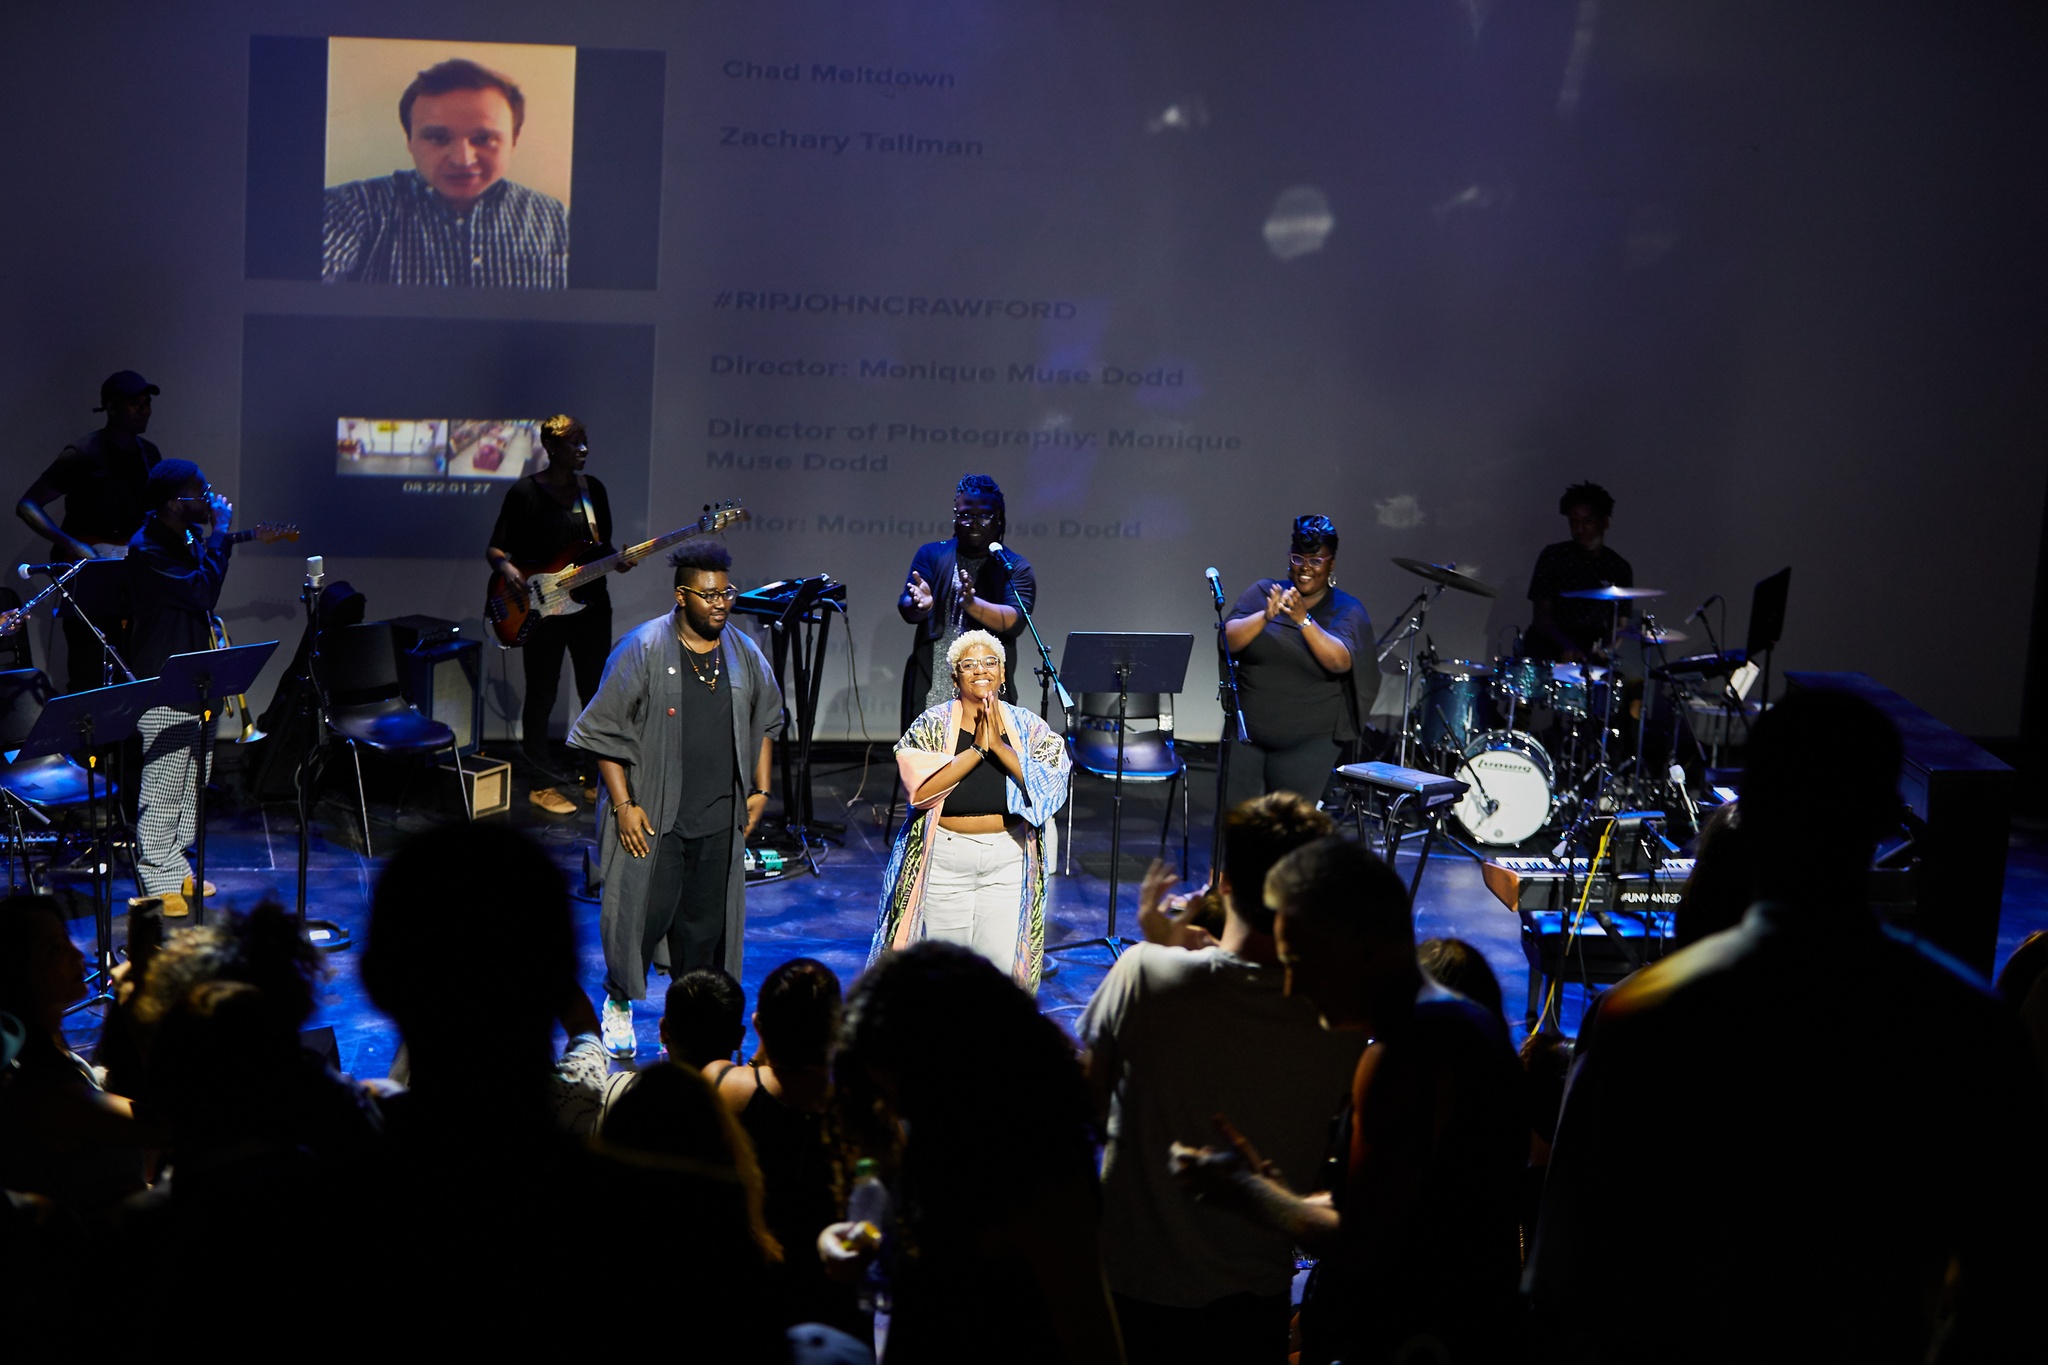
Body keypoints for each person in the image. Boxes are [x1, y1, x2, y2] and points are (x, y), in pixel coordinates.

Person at [1527, 689, 2048, 1361]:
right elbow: (2007, 1289)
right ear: (1883, 822)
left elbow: (1578, 1280)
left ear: (1752, 815)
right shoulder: (1970, 1027)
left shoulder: (1642, 1016)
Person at [358, 822, 776, 1352]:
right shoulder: (681, 1224)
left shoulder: (310, 1196)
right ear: (559, 974)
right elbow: (585, 1035)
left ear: (374, 980)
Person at [1173, 837, 1526, 1365]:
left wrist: (1255, 1197)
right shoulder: (1461, 1021)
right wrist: (1279, 1191)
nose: (1291, 987)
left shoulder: (1401, 1056)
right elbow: (1410, 1212)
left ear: (1359, 946)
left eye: (1300, 961)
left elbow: (1367, 1246)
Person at [1079, 792, 1361, 1365]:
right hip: (1251, 1304)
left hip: (1132, 1288)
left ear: (1224, 882)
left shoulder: (1144, 974)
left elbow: (1079, 1107)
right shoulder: (1340, 1020)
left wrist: (1160, 947)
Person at [825, 943, 1122, 1365]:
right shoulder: (933, 1126)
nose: (895, 1108)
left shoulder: (1041, 1171)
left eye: (899, 1090)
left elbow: (1091, 1337)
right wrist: (843, 1240)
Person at [568, 541, 779, 1058]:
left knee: (703, 936)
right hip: (653, 819)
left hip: (716, 816)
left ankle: (688, 1028)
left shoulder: (742, 651)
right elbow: (603, 734)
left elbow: (766, 718)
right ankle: (618, 1004)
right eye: (709, 595)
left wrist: (760, 789)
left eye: (726, 593)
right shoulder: (642, 649)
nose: (721, 604)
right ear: (682, 595)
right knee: (638, 920)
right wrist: (623, 806)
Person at [870, 629, 1070, 992]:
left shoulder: (1028, 727)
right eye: (969, 664)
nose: (981, 670)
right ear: (955, 677)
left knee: (995, 980)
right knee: (946, 977)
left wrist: (999, 747)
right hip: (946, 860)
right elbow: (920, 793)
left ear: (1003, 673)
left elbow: (1051, 788)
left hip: (1007, 859)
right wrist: (976, 750)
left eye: (990, 662)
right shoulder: (931, 725)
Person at [486, 413, 629, 814]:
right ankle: (540, 782)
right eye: (574, 443)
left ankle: (592, 776)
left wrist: (618, 559)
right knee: (542, 694)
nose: (583, 449)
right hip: (542, 609)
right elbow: (495, 549)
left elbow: (600, 548)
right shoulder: (525, 493)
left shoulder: (593, 490)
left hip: (590, 607)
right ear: (551, 448)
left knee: (595, 694)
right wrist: (509, 569)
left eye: (585, 441)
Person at [711, 958, 862, 1337]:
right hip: (834, 1299)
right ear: (836, 1032)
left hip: (750, 1291)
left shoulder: (726, 1087)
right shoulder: (860, 1111)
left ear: (759, 1025)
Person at [323, 57, 568, 288]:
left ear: (514, 140)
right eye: (438, 138)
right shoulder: (352, 208)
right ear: (410, 141)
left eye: (483, 139)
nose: (463, 160)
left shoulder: (558, 220)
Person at [125, 460, 235, 906]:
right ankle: (157, 876)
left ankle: (176, 863)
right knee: (165, 782)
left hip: (195, 674)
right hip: (163, 679)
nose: (209, 497)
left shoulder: (183, 537)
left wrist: (213, 538)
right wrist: (222, 532)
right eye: (200, 491)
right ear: (174, 503)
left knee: (193, 776)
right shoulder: (147, 548)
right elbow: (201, 592)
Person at [0, 896, 154, 1213]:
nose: (76, 954)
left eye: (66, 940)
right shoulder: (41, 1088)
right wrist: (141, 1008)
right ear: (15, 971)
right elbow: (161, 1127)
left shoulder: (48, 1045)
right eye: (53, 948)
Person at [15, 370, 164, 692]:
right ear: (111, 408)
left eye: (147, 403)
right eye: (135, 404)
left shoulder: (148, 454)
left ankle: (124, 738)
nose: (144, 410)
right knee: (88, 670)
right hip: (87, 576)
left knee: (130, 665)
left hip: (128, 573)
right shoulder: (84, 452)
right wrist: (73, 544)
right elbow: (28, 505)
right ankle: (88, 740)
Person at [1222, 515, 1374, 810]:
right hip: (1246, 736)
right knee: (1238, 829)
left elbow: (1339, 661)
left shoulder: (1347, 609)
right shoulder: (1265, 592)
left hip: (1308, 744)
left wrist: (1303, 619)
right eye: (1298, 558)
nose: (1305, 568)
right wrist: (1265, 616)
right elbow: (1228, 640)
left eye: (1316, 560)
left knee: (1289, 834)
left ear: (1331, 563)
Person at [897, 474, 1035, 728]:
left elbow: (1015, 620)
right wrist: (922, 605)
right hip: (934, 687)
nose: (974, 523)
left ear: (999, 519)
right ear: (955, 515)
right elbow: (907, 606)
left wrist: (973, 605)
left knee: (987, 762)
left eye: (984, 516)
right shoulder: (932, 554)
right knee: (925, 763)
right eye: (965, 515)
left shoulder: (1013, 566)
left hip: (987, 691)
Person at [1525, 480, 1632, 662]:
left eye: (1587, 521)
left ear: (1605, 522)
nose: (1579, 529)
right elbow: (1541, 617)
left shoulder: (1618, 567)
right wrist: (1568, 646)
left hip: (1591, 652)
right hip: (1549, 649)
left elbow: (1619, 626)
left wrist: (1605, 650)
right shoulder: (1553, 556)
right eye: (1574, 523)